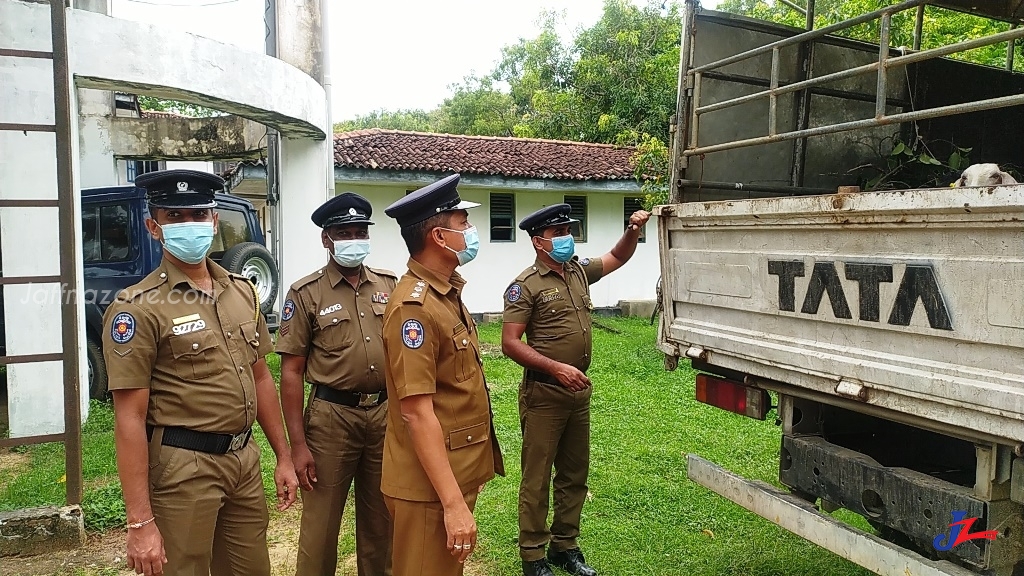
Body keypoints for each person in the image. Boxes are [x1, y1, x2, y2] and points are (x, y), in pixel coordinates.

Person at [102, 169, 298, 576]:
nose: (188, 225)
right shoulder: (137, 308)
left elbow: (261, 376)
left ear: (213, 221)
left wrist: (283, 455)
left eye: (198, 215)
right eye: (175, 217)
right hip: (184, 468)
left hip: (243, 460)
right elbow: (130, 417)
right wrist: (139, 522)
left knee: (251, 568)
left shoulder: (242, 290)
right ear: (153, 226)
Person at [501, 203, 651, 576]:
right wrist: (556, 368)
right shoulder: (526, 286)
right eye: (558, 233)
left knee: (573, 474)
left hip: (577, 394)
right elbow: (510, 342)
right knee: (536, 478)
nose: (567, 238)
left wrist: (632, 229)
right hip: (545, 394)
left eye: (569, 230)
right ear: (539, 242)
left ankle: (564, 547)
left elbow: (618, 256)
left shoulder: (578, 272)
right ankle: (533, 555)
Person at [379, 173, 504, 576]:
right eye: (463, 223)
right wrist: (452, 503)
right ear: (439, 237)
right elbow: (416, 412)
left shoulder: (445, 293)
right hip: (428, 490)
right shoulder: (413, 309)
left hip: (450, 474)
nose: (470, 230)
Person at [276, 192, 396, 576]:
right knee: (321, 526)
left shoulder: (389, 286)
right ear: (326, 239)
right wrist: (297, 446)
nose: (354, 240)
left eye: (360, 231)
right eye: (344, 233)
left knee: (383, 520)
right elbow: (291, 372)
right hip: (331, 420)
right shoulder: (305, 293)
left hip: (383, 415)